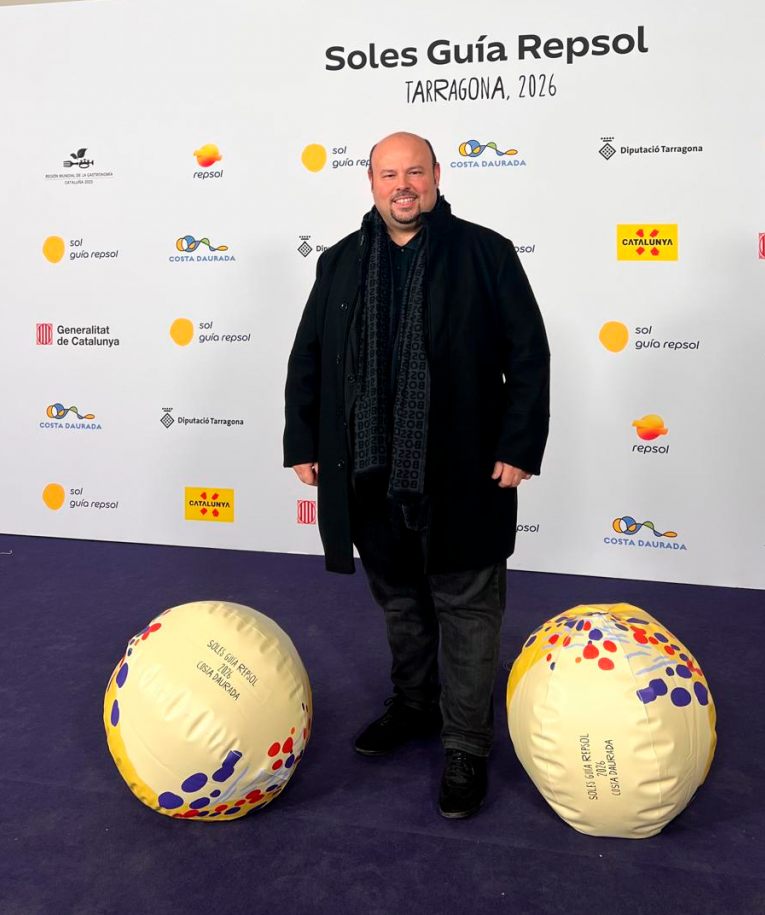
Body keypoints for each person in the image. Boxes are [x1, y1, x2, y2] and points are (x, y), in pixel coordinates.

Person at [284, 131, 549, 818]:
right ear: (371, 183)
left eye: (414, 172)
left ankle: (465, 743)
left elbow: (527, 354)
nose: (402, 186)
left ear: (436, 175)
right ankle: (413, 704)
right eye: (388, 174)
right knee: (401, 601)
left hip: (465, 468)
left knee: (467, 607)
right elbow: (309, 355)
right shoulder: (340, 261)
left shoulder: (485, 253)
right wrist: (304, 440)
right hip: (370, 470)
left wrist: (519, 444)